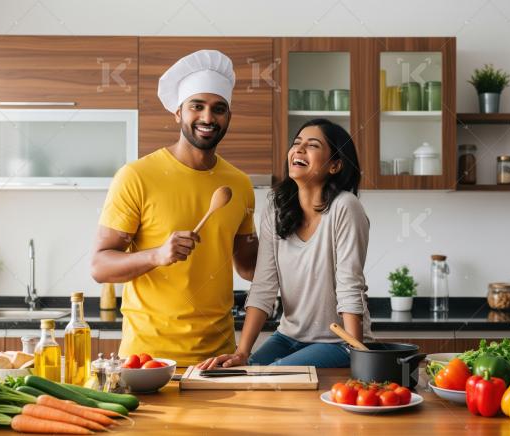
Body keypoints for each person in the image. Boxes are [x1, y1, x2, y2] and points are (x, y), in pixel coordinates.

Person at [91, 50, 258, 366]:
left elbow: (249, 267)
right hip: (147, 359)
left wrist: (303, 238)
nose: (208, 118)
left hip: (218, 359)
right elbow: (100, 266)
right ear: (178, 113)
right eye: (197, 106)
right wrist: (156, 255)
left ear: (228, 117)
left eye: (218, 109)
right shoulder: (136, 176)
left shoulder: (239, 184)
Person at [198, 118, 371, 369]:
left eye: (312, 145)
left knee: (270, 376)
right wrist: (242, 352)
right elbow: (263, 286)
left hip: (337, 341)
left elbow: (349, 287)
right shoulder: (277, 209)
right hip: (288, 336)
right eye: (296, 143)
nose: (298, 149)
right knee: (243, 371)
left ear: (334, 165)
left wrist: (358, 357)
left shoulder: (345, 207)